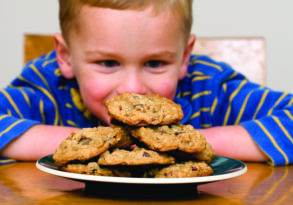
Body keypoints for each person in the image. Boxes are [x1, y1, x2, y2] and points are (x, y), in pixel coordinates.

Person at [0, 0, 292, 166]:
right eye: (108, 63)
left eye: (155, 63)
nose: (133, 89)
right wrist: (86, 144)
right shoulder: (47, 87)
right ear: (65, 57)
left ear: (185, 57)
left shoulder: (210, 88)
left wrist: (188, 145)